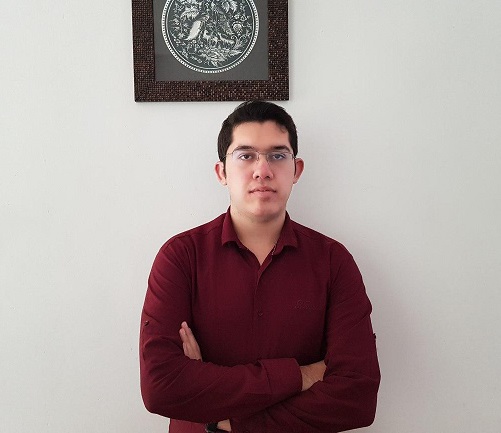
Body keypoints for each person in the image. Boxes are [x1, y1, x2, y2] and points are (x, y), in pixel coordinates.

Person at [140, 101, 380, 433]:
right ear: (222, 172)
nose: (262, 170)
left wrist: (226, 418)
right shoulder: (180, 257)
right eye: (246, 155)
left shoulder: (332, 261)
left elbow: (357, 397)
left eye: (278, 155)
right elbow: (161, 387)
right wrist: (301, 375)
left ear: (296, 170)